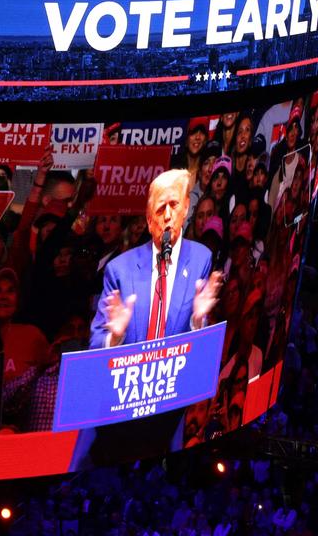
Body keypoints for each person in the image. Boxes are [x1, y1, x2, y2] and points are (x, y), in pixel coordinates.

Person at [75, 169, 223, 469]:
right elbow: (95, 346)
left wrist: (198, 322)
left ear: (185, 211)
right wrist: (115, 336)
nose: (168, 215)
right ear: (147, 219)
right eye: (160, 208)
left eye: (174, 205)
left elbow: (201, 356)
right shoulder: (120, 269)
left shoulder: (200, 259)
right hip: (124, 404)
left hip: (171, 405)